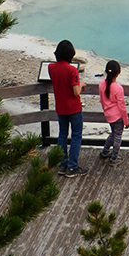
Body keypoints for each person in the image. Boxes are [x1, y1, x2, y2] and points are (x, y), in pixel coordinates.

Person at [48, 39, 88, 177]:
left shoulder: (51, 68)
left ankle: (62, 164)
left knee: (62, 135)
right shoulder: (72, 70)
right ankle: (72, 167)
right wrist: (81, 83)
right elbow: (76, 92)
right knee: (76, 135)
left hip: (60, 106)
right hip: (74, 107)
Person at [98, 60, 129, 167]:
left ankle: (105, 151)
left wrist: (105, 110)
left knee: (113, 133)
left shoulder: (102, 84)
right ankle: (114, 158)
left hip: (108, 115)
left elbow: (102, 100)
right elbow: (122, 106)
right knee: (118, 136)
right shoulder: (118, 88)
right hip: (118, 117)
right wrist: (126, 120)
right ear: (118, 72)